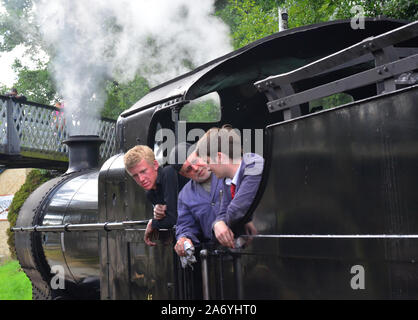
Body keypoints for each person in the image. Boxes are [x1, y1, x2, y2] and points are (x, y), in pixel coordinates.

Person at [196, 125, 264, 249]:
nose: (208, 168)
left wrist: (220, 223)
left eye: (207, 161)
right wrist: (217, 224)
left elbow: (235, 211)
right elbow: (222, 213)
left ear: (219, 157)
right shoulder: (225, 180)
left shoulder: (254, 165)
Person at [124, 145, 189, 246]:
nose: (141, 179)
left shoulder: (168, 173)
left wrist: (152, 223)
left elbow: (173, 219)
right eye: (135, 176)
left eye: (143, 171)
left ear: (155, 165)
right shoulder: (150, 193)